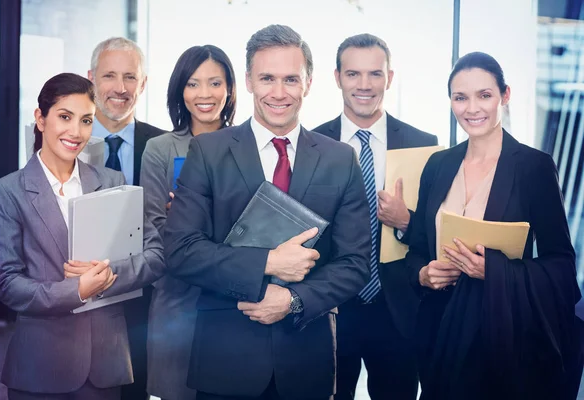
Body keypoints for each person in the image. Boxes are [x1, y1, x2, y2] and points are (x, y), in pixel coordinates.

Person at [164, 24, 371, 400]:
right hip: (225, 360)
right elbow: (181, 252)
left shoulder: (341, 159)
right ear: (248, 81)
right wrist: (268, 262)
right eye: (267, 78)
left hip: (306, 362)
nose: (279, 93)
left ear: (308, 83)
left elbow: (355, 264)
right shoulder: (208, 152)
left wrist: (294, 301)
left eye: (291, 79)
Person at [406, 52, 583, 399]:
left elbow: (562, 267)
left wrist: (495, 271)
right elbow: (416, 251)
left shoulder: (534, 167)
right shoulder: (438, 165)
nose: (472, 108)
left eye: (484, 95)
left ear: (505, 95)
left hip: (501, 339)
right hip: (439, 335)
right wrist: (424, 274)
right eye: (461, 97)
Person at [0, 73, 165, 400]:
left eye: (85, 120)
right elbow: (7, 284)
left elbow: (155, 255)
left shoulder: (113, 180)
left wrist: (108, 277)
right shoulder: (8, 192)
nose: (76, 131)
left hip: (105, 365)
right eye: (64, 117)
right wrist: (77, 290)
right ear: (40, 119)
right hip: (39, 366)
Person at [313, 33, 438, 400]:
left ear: (390, 78)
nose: (364, 85)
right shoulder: (312, 143)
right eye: (353, 74)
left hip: (397, 307)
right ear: (337, 78)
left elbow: (436, 234)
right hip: (332, 307)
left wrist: (406, 222)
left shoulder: (423, 143)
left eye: (375, 74)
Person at [142, 44, 237, 400]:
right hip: (177, 302)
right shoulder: (160, 149)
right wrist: (184, 224)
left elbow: (256, 229)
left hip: (233, 302)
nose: (204, 94)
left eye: (215, 83)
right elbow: (154, 230)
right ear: (180, 91)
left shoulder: (248, 146)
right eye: (193, 84)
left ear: (229, 89)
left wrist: (194, 220)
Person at [88, 37, 164, 400]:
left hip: (146, 300)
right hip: (79, 296)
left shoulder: (165, 145)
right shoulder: (66, 140)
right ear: (91, 80)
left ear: (143, 84)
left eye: (130, 77)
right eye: (109, 76)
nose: (120, 88)